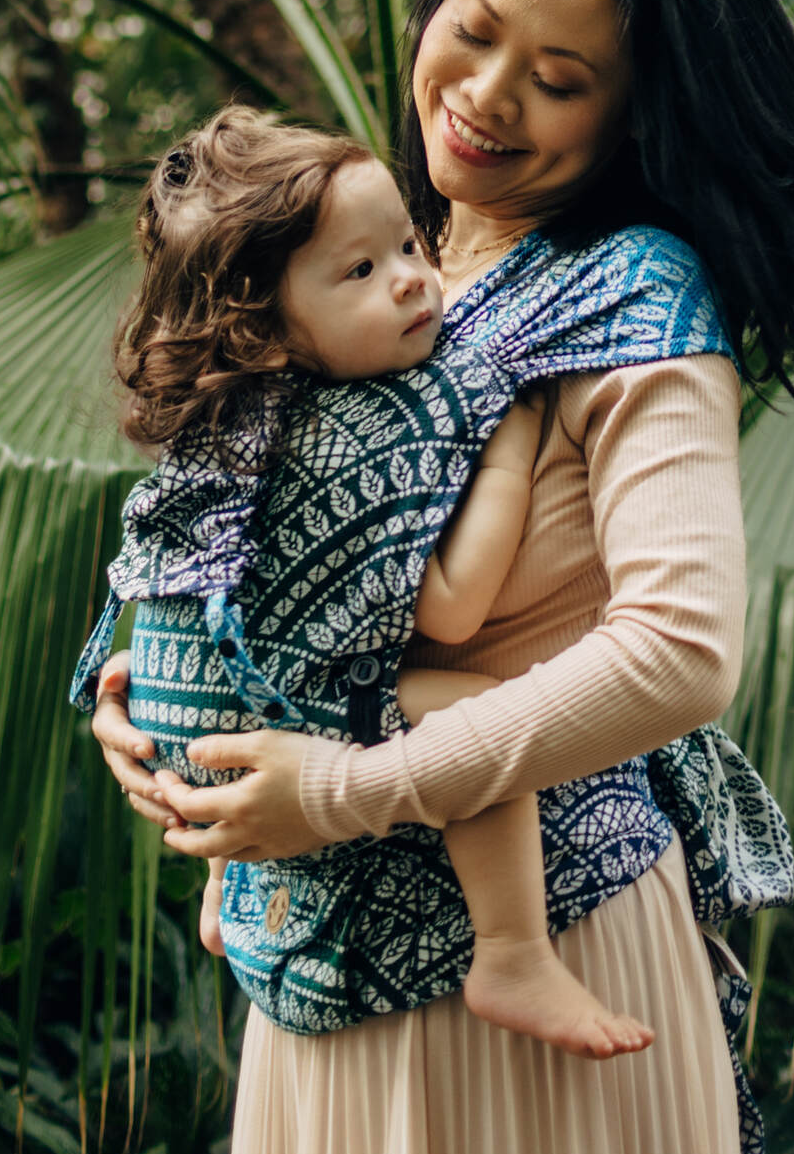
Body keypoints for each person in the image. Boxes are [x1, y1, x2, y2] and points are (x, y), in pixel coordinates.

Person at [93, 0, 794, 1154]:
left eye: (560, 81)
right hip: (319, 971)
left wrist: (344, 791)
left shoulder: (633, 295)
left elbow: (681, 652)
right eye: (473, 34)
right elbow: (224, 503)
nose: (485, 98)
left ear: (632, 113)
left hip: (537, 964)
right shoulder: (387, 253)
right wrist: (125, 693)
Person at [109, 108, 656, 1058]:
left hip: (179, 728)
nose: (412, 277)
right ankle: (514, 952)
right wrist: (510, 452)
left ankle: (222, 902)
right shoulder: (360, 427)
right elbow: (449, 604)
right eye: (360, 272)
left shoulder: (229, 427)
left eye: (407, 243)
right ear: (266, 328)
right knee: (479, 714)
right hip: (247, 741)